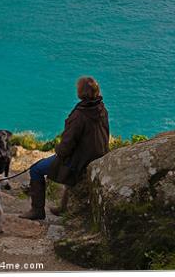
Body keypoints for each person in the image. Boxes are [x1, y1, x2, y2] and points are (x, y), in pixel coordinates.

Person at [20, 76, 110, 220]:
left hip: (80, 160)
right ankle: (63, 207)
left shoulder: (80, 115)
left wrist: (58, 150)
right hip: (97, 154)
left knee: (36, 169)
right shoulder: (101, 108)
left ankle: (37, 210)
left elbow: (66, 146)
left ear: (81, 92)